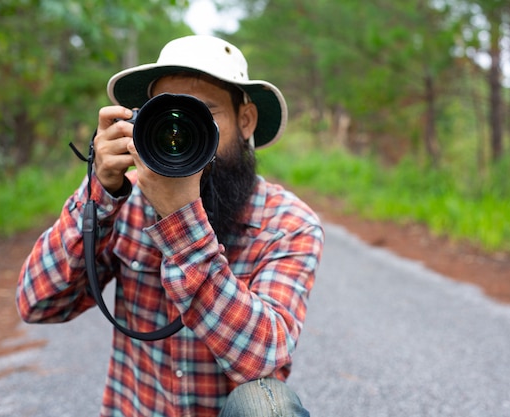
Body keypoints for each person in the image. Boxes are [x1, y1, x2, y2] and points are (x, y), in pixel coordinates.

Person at [17, 35, 324, 417]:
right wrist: (101, 192)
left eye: (204, 115)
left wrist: (180, 221)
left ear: (246, 120)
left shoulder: (288, 223)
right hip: (140, 407)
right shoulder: (123, 203)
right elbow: (37, 304)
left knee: (266, 405)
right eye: (167, 120)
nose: (180, 135)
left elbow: (263, 358)